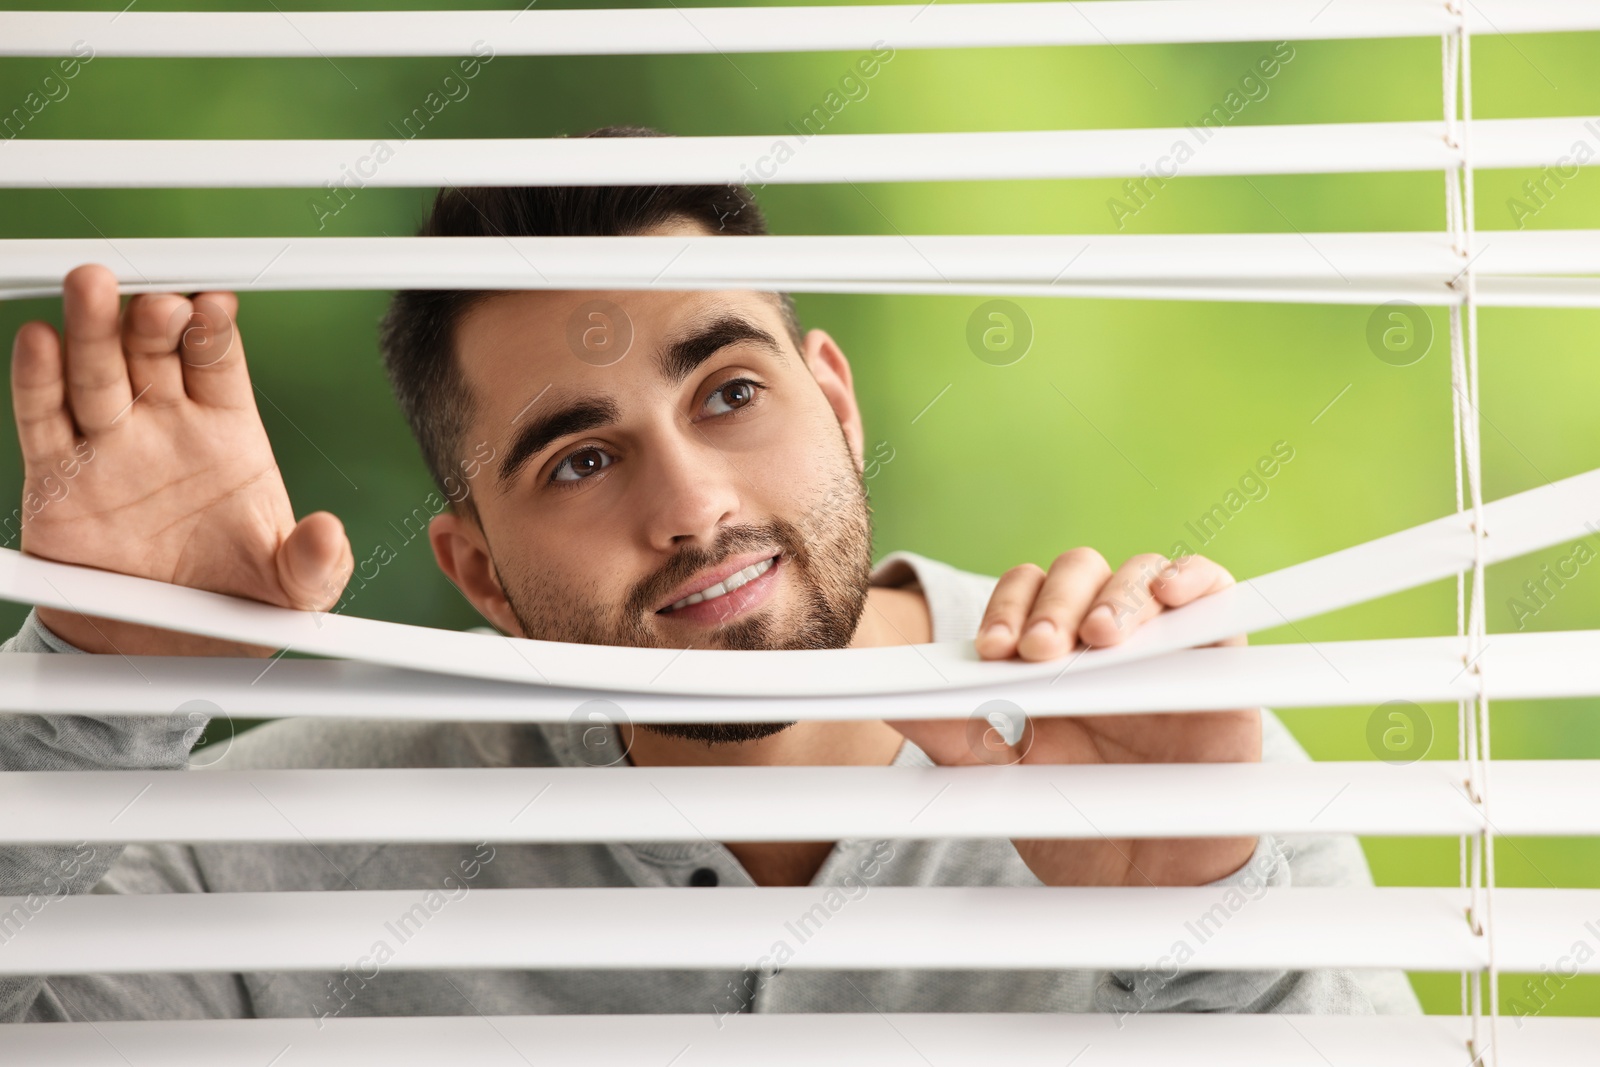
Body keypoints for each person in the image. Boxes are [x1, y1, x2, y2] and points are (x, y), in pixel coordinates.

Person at [1, 125, 1418, 1026]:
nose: (691, 507)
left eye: (729, 393)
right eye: (577, 461)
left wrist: (1214, 950)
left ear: (840, 405)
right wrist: (89, 699)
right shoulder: (269, 861)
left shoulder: (1163, 773)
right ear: (477, 573)